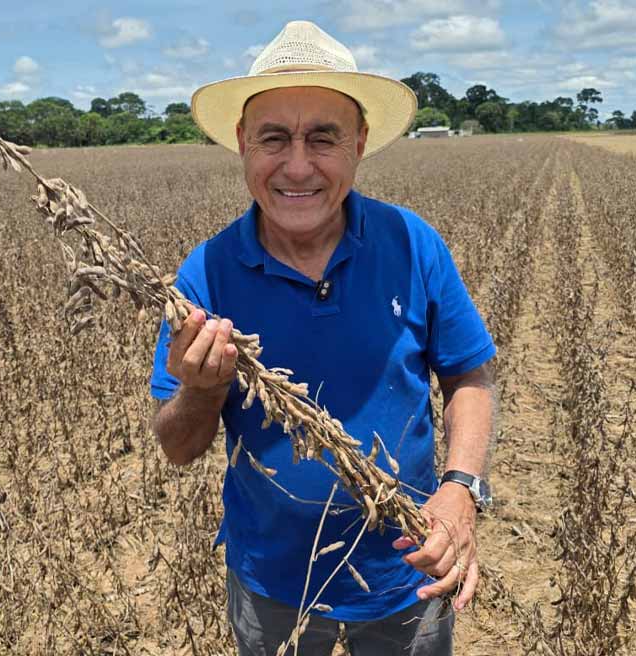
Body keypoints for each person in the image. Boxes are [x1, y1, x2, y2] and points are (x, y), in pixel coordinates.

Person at [149, 20, 496, 656]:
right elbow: (177, 446)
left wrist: (461, 487)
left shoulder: (413, 244)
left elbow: (469, 375)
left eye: (324, 138)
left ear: (360, 144)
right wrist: (201, 392)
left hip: (408, 575)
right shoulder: (205, 273)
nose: (298, 166)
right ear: (243, 145)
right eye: (274, 138)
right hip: (271, 585)